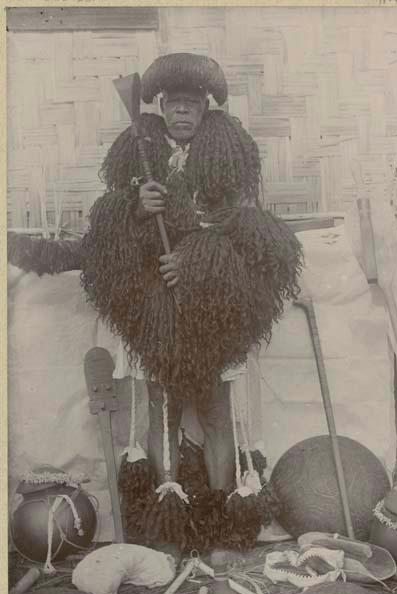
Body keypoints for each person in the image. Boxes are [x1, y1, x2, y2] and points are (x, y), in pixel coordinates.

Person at [8, 53, 303, 555]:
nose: (182, 114)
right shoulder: (138, 155)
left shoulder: (226, 154)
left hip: (214, 314)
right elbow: (109, 240)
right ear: (161, 105)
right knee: (162, 411)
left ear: (205, 107)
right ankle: (170, 519)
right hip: (156, 317)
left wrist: (195, 262)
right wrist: (137, 208)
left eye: (192, 105)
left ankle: (221, 523)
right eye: (174, 104)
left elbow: (247, 232)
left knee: (215, 412)